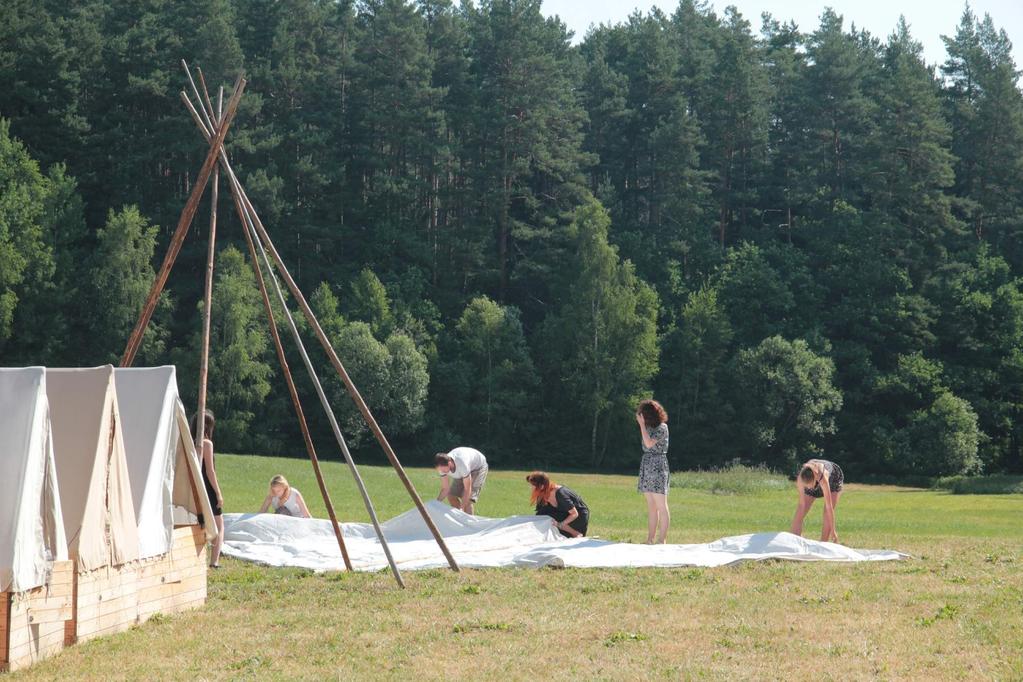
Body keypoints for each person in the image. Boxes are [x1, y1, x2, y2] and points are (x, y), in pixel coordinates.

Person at [636, 399, 670, 544]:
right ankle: (650, 539)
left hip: (658, 466)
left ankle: (661, 540)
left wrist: (642, 425)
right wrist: (644, 426)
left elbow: (649, 444)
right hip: (647, 465)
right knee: (651, 506)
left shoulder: (662, 427)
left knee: (661, 506)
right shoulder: (648, 427)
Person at [193, 409, 224, 569]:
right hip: (207, 487)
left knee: (199, 523)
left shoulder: (188, 440)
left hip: (195, 485)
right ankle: (214, 561)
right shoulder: (206, 443)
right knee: (219, 524)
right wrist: (218, 493)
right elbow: (210, 471)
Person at [790, 458, 844, 543]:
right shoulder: (801, 479)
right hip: (813, 476)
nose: (809, 488)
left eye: (810, 486)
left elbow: (829, 507)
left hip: (833, 478)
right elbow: (801, 505)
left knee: (826, 512)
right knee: (801, 510)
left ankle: (823, 544)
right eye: (806, 487)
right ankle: (794, 541)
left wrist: (833, 531)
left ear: (815, 479)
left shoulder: (822, 477)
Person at [526, 471, 589, 538]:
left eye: (532, 485)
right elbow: (540, 514)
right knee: (543, 515)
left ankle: (576, 533)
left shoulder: (560, 493)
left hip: (578, 516)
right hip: (564, 512)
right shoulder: (542, 493)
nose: (531, 487)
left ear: (541, 486)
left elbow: (574, 514)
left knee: (552, 520)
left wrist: (559, 525)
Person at [434, 447, 488, 515]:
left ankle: (468, 524)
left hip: (478, 467)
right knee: (451, 496)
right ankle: (459, 520)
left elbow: (467, 489)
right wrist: (436, 503)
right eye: (440, 470)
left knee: (467, 501)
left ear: (449, 463)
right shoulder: (442, 468)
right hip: (463, 470)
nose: (442, 472)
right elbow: (445, 488)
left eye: (444, 470)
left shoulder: (462, 464)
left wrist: (462, 508)